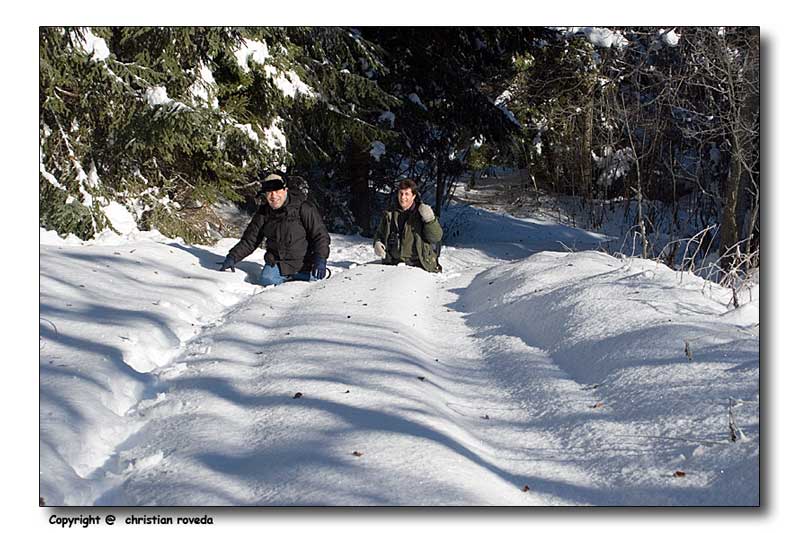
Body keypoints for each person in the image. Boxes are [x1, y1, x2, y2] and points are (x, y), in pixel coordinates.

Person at [219, 173, 330, 286]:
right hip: (278, 265)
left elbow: (320, 236)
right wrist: (232, 257)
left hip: (305, 265)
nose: (273, 196)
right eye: (269, 192)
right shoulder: (263, 213)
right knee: (266, 281)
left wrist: (320, 259)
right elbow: (250, 241)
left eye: (277, 191)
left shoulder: (304, 208)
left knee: (315, 286)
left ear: (285, 190)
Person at [373, 179, 443, 272]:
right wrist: (377, 243)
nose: (403, 197)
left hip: (419, 265)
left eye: (407, 194)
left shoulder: (422, 212)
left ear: (413, 196)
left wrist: (430, 220)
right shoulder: (390, 214)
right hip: (392, 264)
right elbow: (379, 234)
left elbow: (436, 237)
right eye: (401, 193)